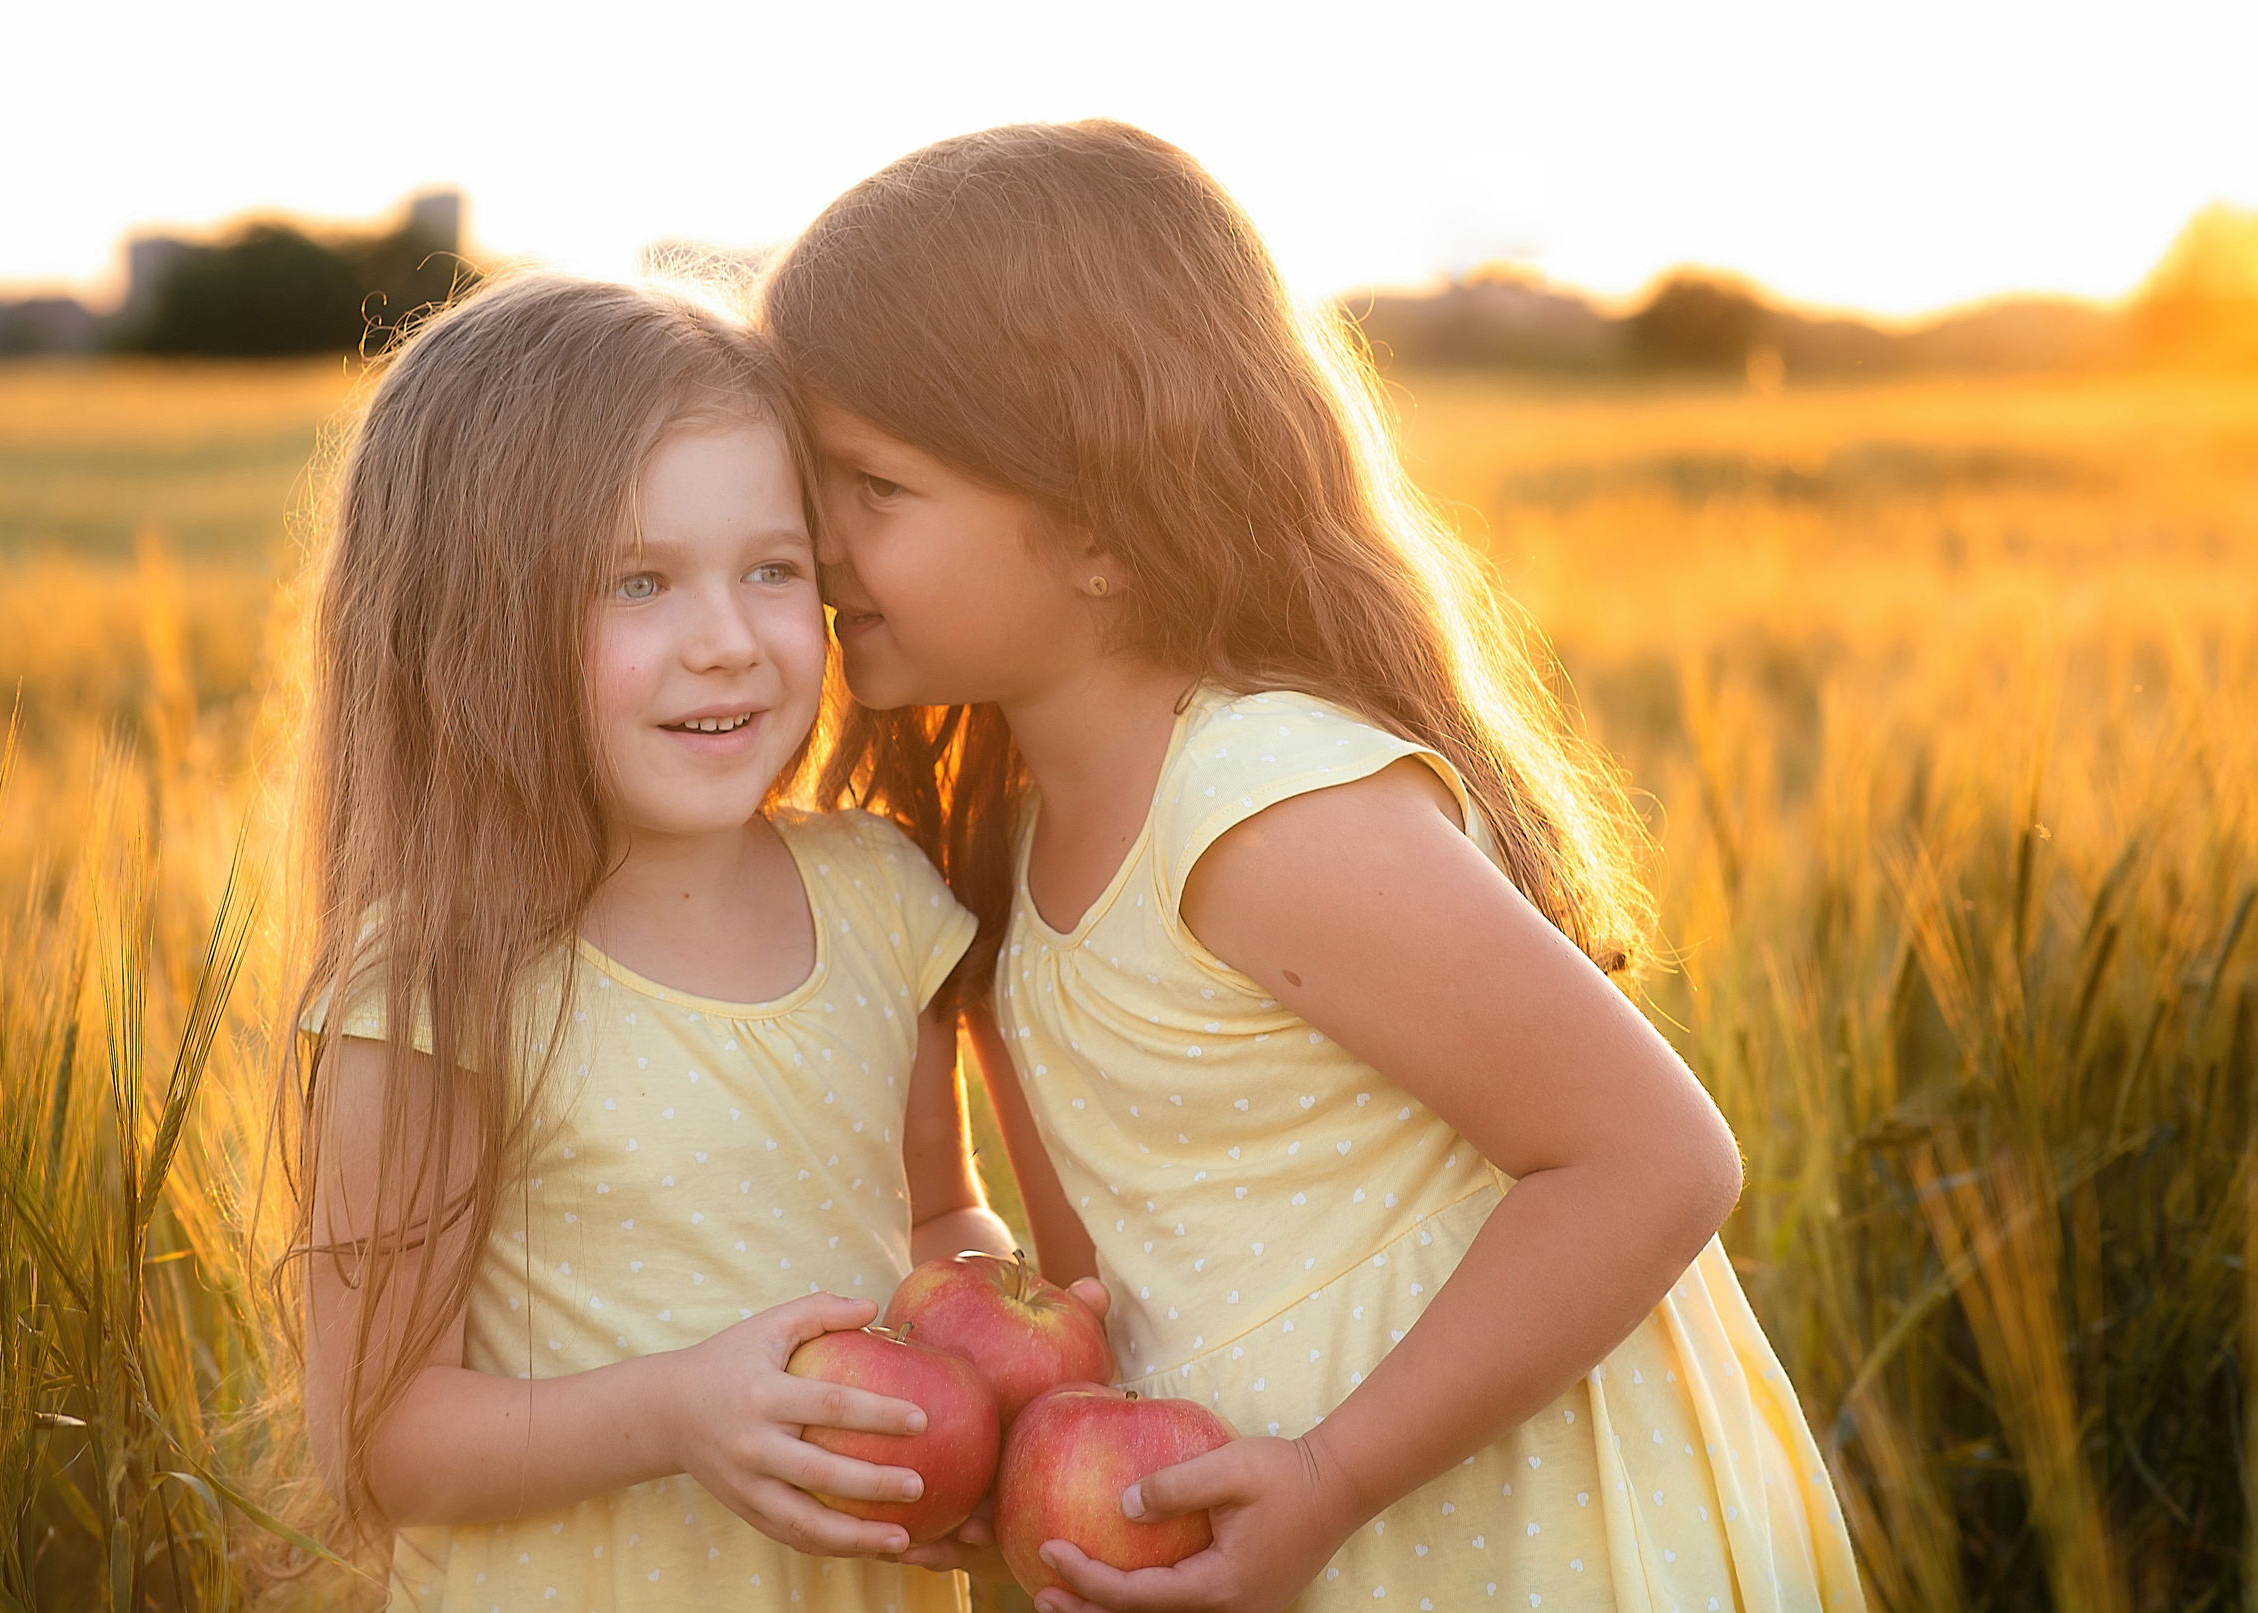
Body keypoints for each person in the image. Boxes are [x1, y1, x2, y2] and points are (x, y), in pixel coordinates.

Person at [762, 121, 1863, 1613]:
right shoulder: (1015, 849)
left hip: (1511, 1535)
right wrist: (1007, 1452)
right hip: (1288, 1543)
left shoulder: (1262, 800)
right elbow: (1109, 1302)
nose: (814, 546)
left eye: (870, 487)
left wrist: (1334, 1474)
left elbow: (1655, 1157)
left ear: (1089, 516)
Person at [285, 271, 1043, 1612]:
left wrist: (988, 1346)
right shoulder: (434, 986)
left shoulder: (880, 896)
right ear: (472, 626)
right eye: (638, 582)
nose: (729, 642)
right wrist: (679, 1413)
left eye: (772, 568)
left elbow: (937, 1210)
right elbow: (383, 1434)